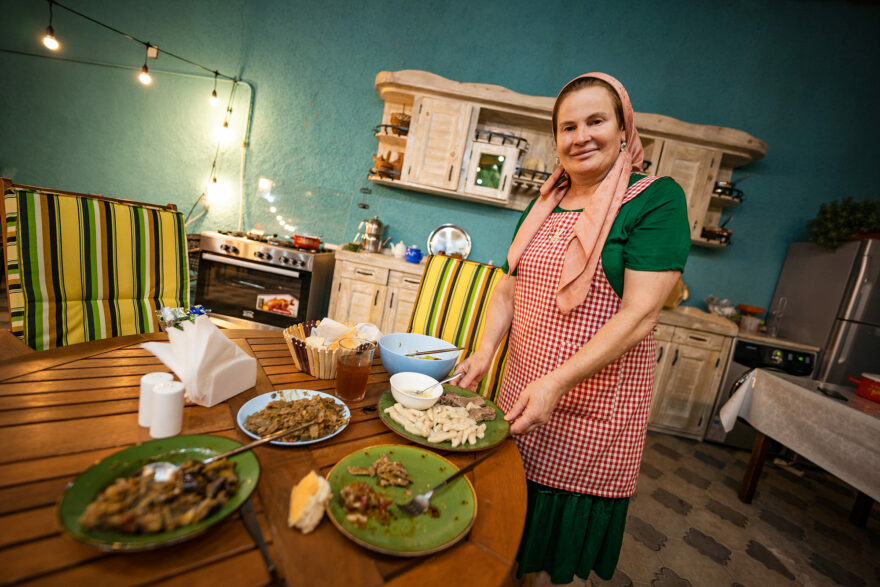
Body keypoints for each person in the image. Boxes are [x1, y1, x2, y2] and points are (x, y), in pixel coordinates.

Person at [454, 72, 690, 585]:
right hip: (522, 391)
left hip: (591, 409)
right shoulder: (545, 201)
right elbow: (508, 287)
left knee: (539, 541)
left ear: (624, 129)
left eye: (596, 121)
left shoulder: (656, 200)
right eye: (567, 127)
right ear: (556, 139)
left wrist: (557, 382)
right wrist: (484, 350)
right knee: (504, 524)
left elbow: (641, 315)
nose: (580, 136)